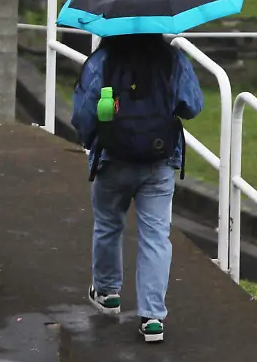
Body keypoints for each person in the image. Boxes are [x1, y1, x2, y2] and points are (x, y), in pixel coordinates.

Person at [71, 33, 203, 343]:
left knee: (107, 225)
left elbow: (83, 115)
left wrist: (95, 141)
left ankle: (106, 293)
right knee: (156, 235)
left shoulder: (101, 62)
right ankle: (153, 317)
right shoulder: (172, 59)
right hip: (159, 161)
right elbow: (192, 106)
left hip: (112, 161)